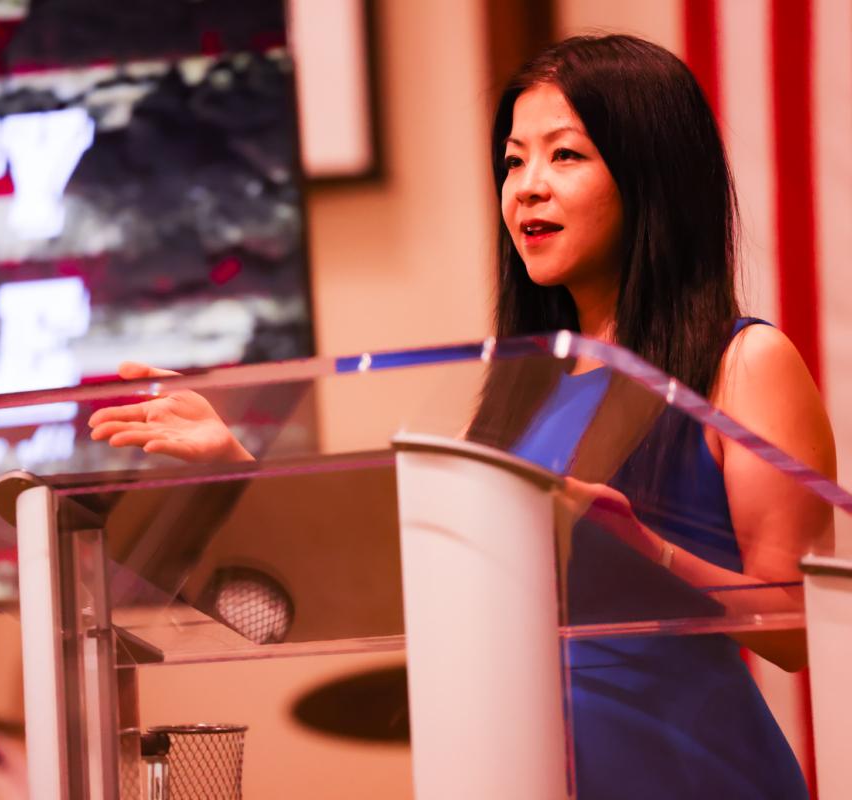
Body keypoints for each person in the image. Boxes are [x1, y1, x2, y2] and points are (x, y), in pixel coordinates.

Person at [88, 34, 834, 799]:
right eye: (513, 162)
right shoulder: (527, 384)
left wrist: (649, 554)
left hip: (686, 770)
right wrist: (236, 467)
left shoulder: (744, 362)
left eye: (565, 156)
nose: (527, 188)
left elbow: (800, 628)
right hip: (515, 766)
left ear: (652, 176)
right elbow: (399, 581)